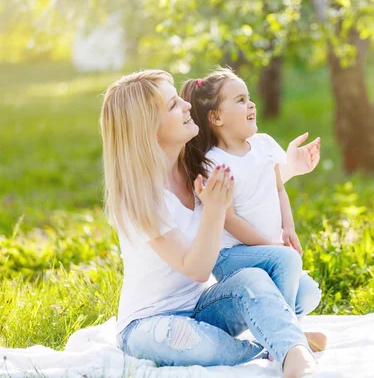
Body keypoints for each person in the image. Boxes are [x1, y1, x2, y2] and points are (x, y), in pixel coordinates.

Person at [100, 69, 318, 377]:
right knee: (197, 345)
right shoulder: (140, 198)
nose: (187, 106)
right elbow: (197, 268)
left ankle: (292, 351)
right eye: (173, 105)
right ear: (147, 127)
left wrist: (291, 168)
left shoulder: (194, 168)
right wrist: (215, 211)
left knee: (254, 281)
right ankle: (277, 341)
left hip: (202, 306)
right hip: (148, 324)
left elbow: (251, 183)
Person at [179, 68, 326, 351]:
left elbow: (278, 188)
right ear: (216, 117)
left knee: (308, 293)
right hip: (231, 255)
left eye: (249, 98)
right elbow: (228, 219)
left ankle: (278, 327)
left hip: (267, 249)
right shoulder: (215, 163)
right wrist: (271, 246)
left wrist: (288, 229)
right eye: (240, 100)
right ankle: (286, 340)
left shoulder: (264, 145)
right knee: (287, 262)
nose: (252, 104)